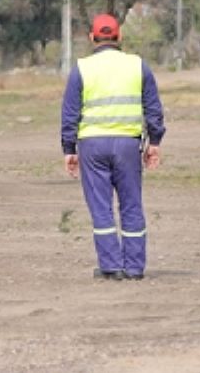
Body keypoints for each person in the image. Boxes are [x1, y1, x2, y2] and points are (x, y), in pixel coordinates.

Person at [60, 14, 166, 281]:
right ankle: (134, 268)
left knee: (101, 207)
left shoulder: (81, 69)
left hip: (92, 146)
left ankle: (111, 266)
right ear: (119, 37)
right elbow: (153, 110)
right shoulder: (138, 65)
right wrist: (154, 143)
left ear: (92, 38)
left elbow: (70, 114)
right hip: (128, 145)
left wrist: (68, 149)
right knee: (131, 205)